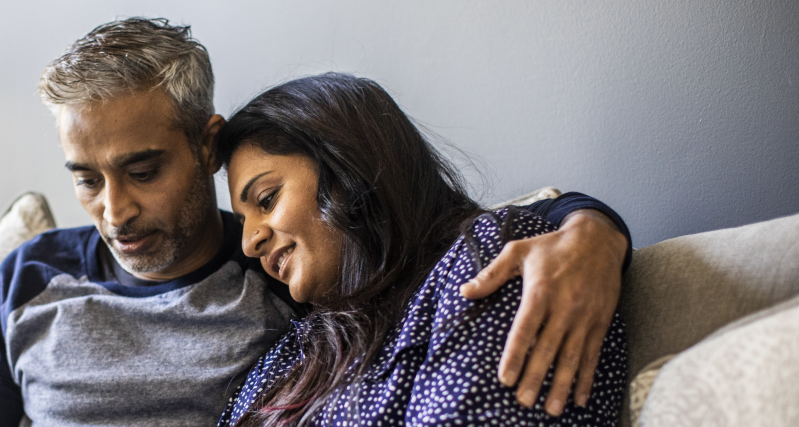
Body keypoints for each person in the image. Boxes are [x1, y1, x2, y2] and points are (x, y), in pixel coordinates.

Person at [0, 19, 632, 426]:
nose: (114, 211)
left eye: (142, 170)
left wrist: (590, 226)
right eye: (86, 180)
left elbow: (446, 240)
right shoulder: (32, 275)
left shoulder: (293, 286)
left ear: (204, 146)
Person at [218, 73, 628, 426]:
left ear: (348, 166)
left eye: (267, 199)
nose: (249, 242)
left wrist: (594, 225)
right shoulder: (292, 349)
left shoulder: (489, 264)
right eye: (243, 220)